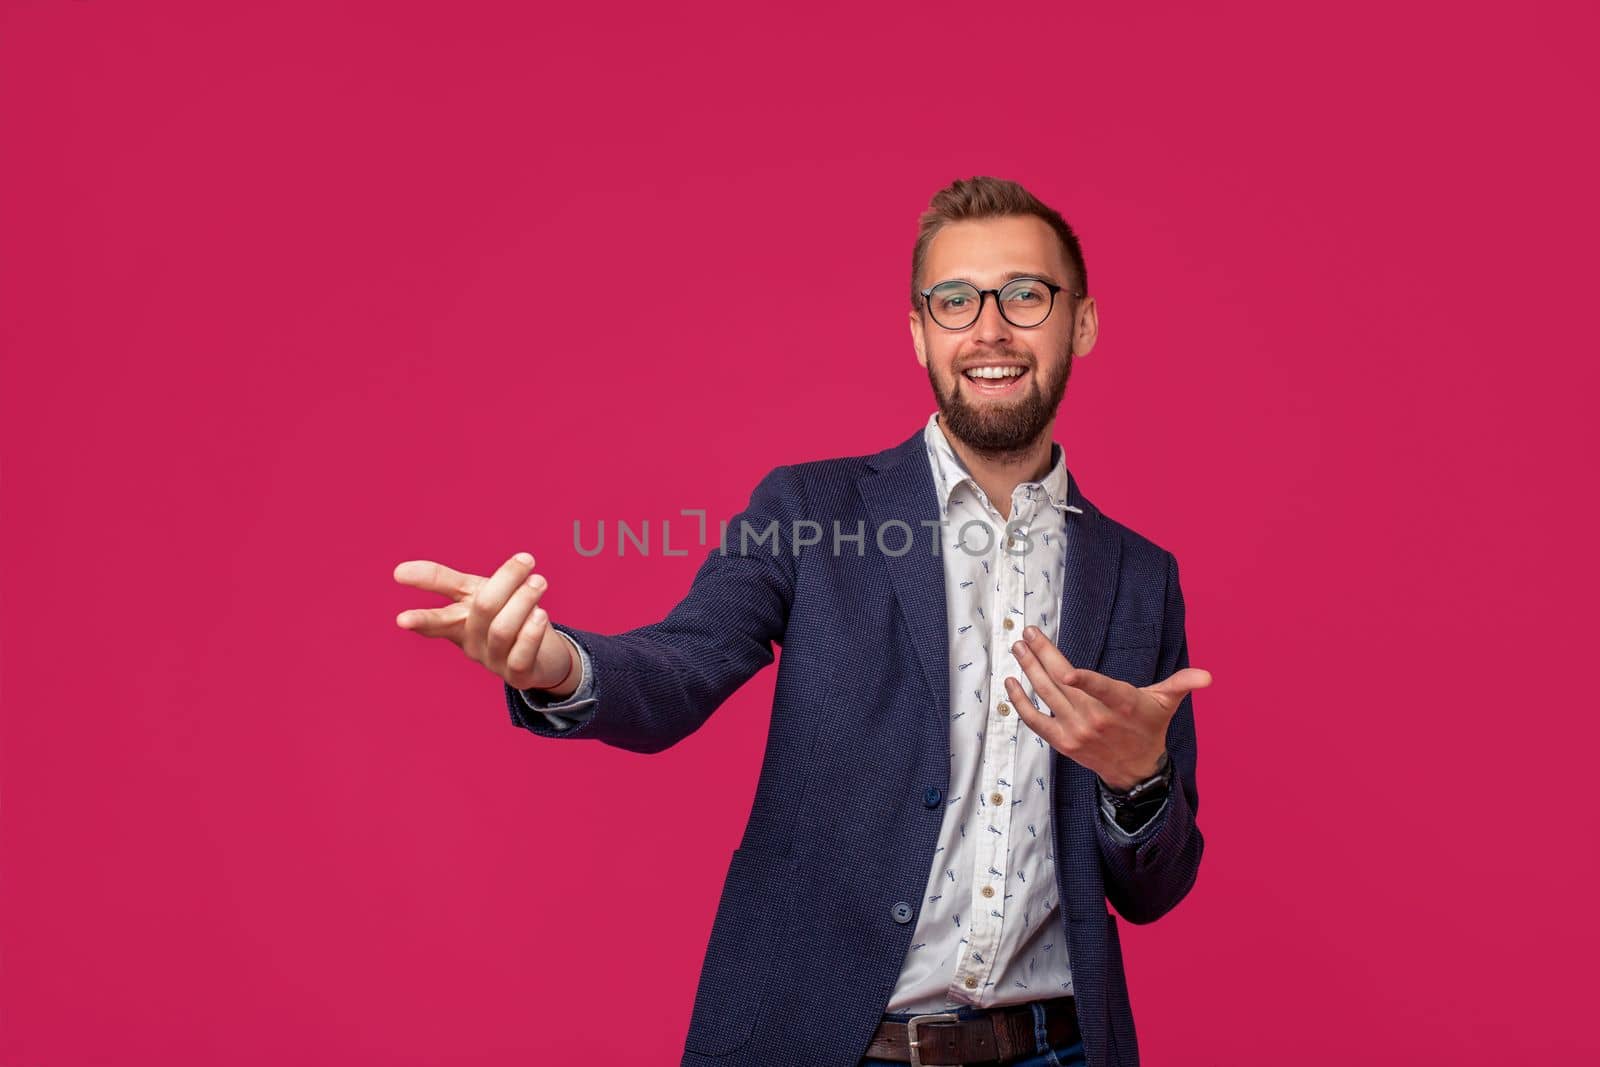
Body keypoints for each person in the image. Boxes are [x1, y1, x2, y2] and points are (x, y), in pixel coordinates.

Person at [393, 175, 1212, 1067]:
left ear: (1080, 323)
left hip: (1061, 1048)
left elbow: (1154, 887)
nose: (989, 328)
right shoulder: (810, 509)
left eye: (1024, 294)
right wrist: (559, 666)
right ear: (918, 332)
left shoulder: (1139, 575)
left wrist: (1141, 782)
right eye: (953, 300)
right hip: (829, 1041)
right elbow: (684, 663)